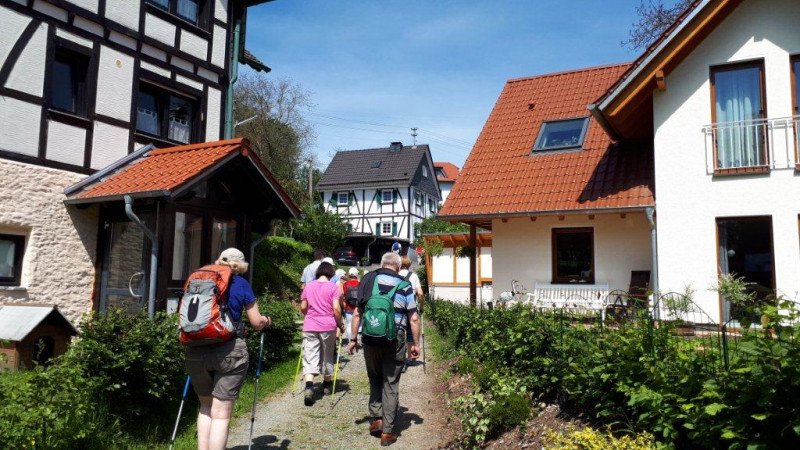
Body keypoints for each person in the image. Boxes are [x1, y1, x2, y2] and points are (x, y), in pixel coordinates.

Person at [184, 248, 271, 450]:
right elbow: (256, 322)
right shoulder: (241, 284)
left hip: (195, 348)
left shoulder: (200, 280)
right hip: (229, 350)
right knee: (221, 414)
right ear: (241, 266)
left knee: (206, 406)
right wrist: (266, 321)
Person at [347, 252, 420, 446]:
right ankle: (387, 432)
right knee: (390, 382)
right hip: (395, 339)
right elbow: (413, 317)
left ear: (381, 264)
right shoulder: (405, 285)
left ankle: (376, 419)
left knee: (374, 377)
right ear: (398, 267)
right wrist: (415, 344)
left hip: (370, 337)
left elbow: (357, 313)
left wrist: (353, 339)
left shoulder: (368, 280)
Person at [300, 261, 344, 406]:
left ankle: (309, 387)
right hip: (327, 325)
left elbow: (303, 307)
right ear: (331, 273)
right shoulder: (333, 287)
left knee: (310, 355)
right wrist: (340, 324)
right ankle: (326, 385)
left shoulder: (308, 286)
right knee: (327, 354)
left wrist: (310, 315)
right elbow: (336, 309)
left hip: (310, 325)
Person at [398, 255, 425, 372]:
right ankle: (409, 357)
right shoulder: (413, 276)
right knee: (410, 333)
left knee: (398, 332)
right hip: (410, 307)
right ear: (409, 264)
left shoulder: (395, 274)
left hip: (398, 308)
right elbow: (420, 293)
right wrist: (421, 306)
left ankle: (399, 358)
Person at [342, 267, 360, 343]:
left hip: (348, 307)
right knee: (358, 324)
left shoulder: (345, 284)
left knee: (349, 325)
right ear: (356, 275)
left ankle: (350, 341)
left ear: (349, 275)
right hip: (358, 307)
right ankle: (358, 341)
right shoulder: (360, 284)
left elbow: (344, 296)